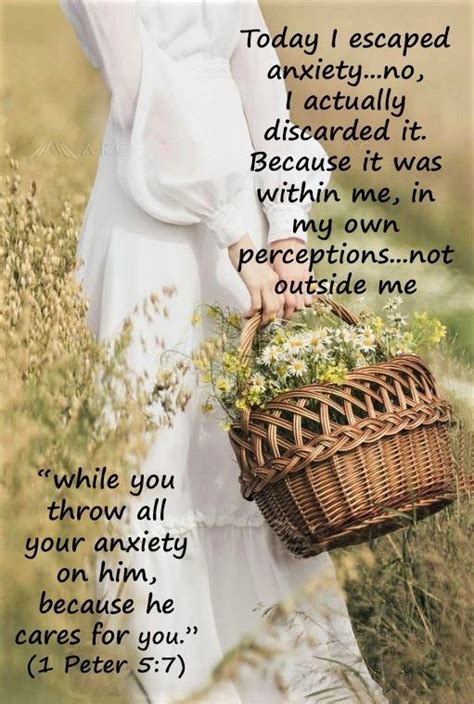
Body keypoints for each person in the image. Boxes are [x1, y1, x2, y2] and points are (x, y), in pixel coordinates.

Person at [61, 2, 387, 702]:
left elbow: (264, 93)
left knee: (243, 464)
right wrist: (239, 237)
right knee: (155, 460)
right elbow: (139, 90)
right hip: (155, 218)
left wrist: (287, 237)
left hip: (241, 229)